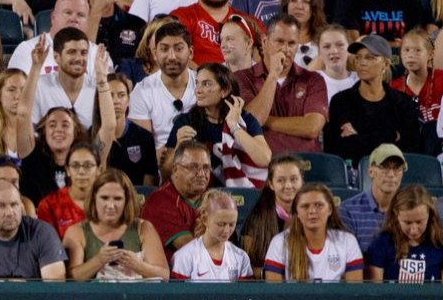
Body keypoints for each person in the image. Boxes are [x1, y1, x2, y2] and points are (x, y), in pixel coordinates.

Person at [236, 14, 330, 156]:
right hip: (260, 165)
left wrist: (267, 121)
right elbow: (251, 122)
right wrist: (273, 75)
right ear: (264, 41)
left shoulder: (313, 80)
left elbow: (312, 127)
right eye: (279, 41)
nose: (286, 49)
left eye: (292, 43)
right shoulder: (242, 78)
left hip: (306, 164)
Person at [324, 38, 428, 163]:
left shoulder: (403, 103)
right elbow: (338, 148)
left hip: (393, 173)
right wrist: (391, 136)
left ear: (385, 64)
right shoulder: (340, 102)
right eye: (358, 57)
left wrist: (357, 137)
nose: (362, 63)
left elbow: (410, 149)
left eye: (370, 58)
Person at [172, 63, 272, 188]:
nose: (198, 90)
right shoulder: (185, 121)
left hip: (240, 195)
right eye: (197, 83)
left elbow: (264, 158)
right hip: (199, 194)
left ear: (224, 91)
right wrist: (178, 146)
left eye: (206, 84)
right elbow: (166, 173)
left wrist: (234, 126)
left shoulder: (245, 119)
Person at [63, 168, 170, 280]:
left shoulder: (143, 228)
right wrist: (99, 260)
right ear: (94, 199)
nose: (110, 205)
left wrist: (138, 266)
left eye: (117, 199)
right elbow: (70, 279)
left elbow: (164, 276)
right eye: (104, 198)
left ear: (127, 201)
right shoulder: (76, 231)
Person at [0, 181, 68, 280]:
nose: (9, 213)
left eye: (14, 205)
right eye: (0, 206)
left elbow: (54, 289)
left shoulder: (44, 233)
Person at [264, 181, 364, 281]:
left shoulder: (348, 241)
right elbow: (274, 294)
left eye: (319, 205)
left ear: (330, 209)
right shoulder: (279, 243)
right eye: (305, 206)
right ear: (297, 212)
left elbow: (354, 292)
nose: (312, 211)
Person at [363, 184, 443, 281]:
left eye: (419, 222)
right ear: (396, 217)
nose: (414, 230)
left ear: (430, 216)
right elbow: (375, 291)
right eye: (407, 223)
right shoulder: (381, 244)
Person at [129, 19, 195, 151]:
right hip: (159, 165)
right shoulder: (142, 91)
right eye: (164, 49)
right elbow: (142, 148)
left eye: (178, 49)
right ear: (155, 54)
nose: (171, 56)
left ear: (191, 52)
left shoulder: (204, 84)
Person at [141, 140, 214, 250]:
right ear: (175, 169)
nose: (201, 174)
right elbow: (191, 249)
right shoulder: (159, 201)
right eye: (193, 167)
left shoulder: (213, 200)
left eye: (205, 168)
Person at [336, 142, 409, 249]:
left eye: (397, 168)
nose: (391, 174)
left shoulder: (410, 208)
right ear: (370, 171)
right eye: (384, 167)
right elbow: (348, 255)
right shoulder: (348, 210)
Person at [171, 191, 256, 279]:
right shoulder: (184, 257)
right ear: (205, 219)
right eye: (221, 224)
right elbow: (177, 292)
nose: (227, 230)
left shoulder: (241, 257)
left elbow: (247, 292)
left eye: (231, 224)